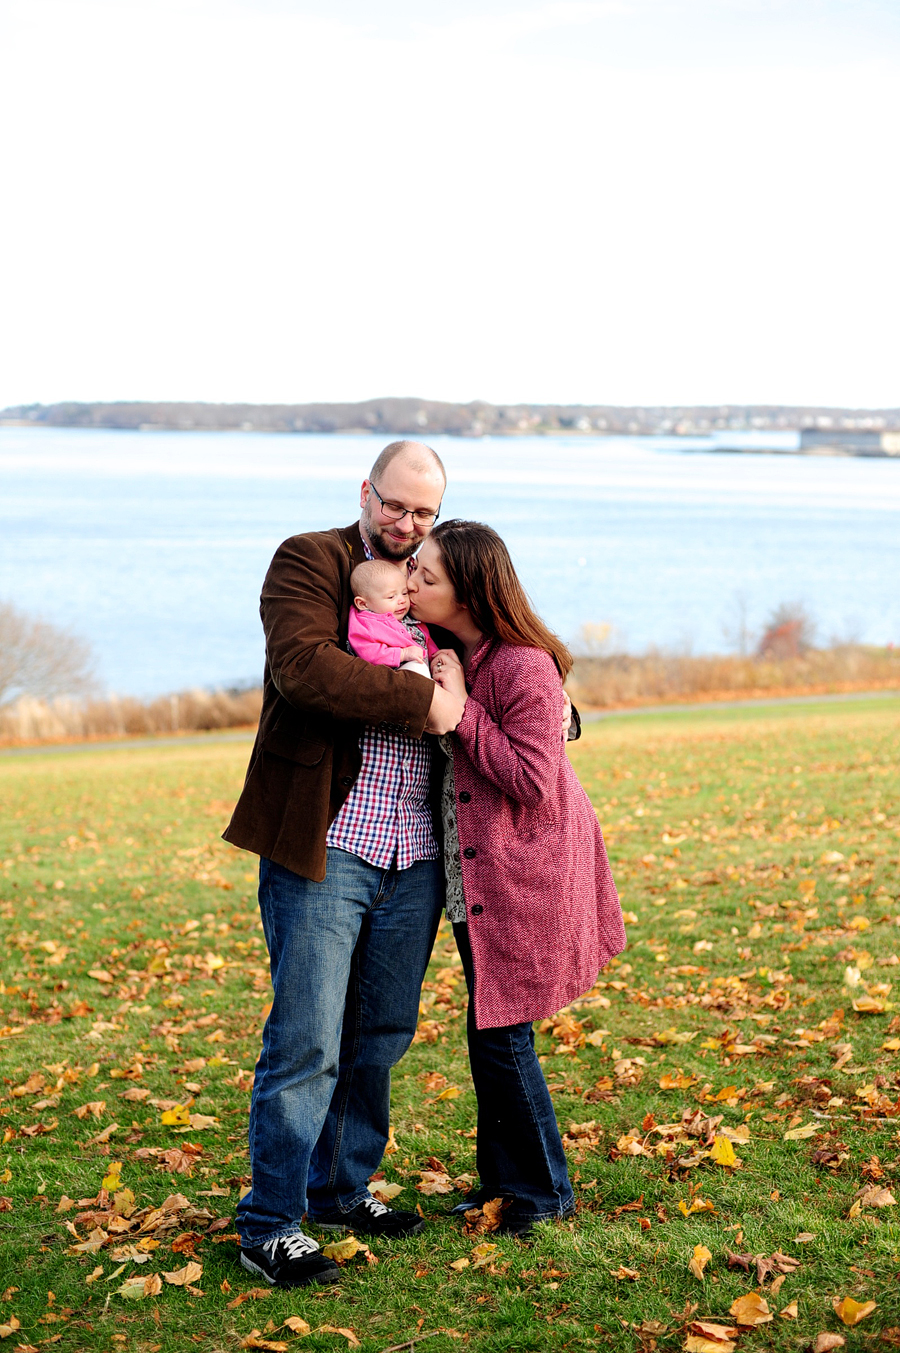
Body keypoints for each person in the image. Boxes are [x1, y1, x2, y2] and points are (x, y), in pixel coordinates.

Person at [223, 441, 467, 1288]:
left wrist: (551, 704)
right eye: (395, 505)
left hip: (418, 849)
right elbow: (306, 672)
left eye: (424, 512)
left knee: (380, 1035)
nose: (407, 524)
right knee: (306, 1040)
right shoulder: (311, 559)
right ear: (366, 491)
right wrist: (430, 703)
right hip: (328, 842)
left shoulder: (439, 573)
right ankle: (270, 1223)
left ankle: (340, 1186)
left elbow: (496, 647)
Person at [406, 519, 626, 1238]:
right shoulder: (455, 650)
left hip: (520, 876)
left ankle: (544, 1191)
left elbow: (532, 779)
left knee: (502, 1034)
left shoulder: (522, 664)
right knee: (488, 1031)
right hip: (477, 874)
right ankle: (505, 1184)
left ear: (468, 589)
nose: (412, 584)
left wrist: (462, 708)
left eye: (427, 577)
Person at [348, 558, 439, 678]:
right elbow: (368, 652)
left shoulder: (411, 619)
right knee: (418, 668)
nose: (402, 600)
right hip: (394, 676)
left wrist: (437, 656)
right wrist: (402, 654)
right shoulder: (366, 624)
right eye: (391, 597)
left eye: (404, 593)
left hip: (427, 671)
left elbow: (426, 641)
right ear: (363, 604)